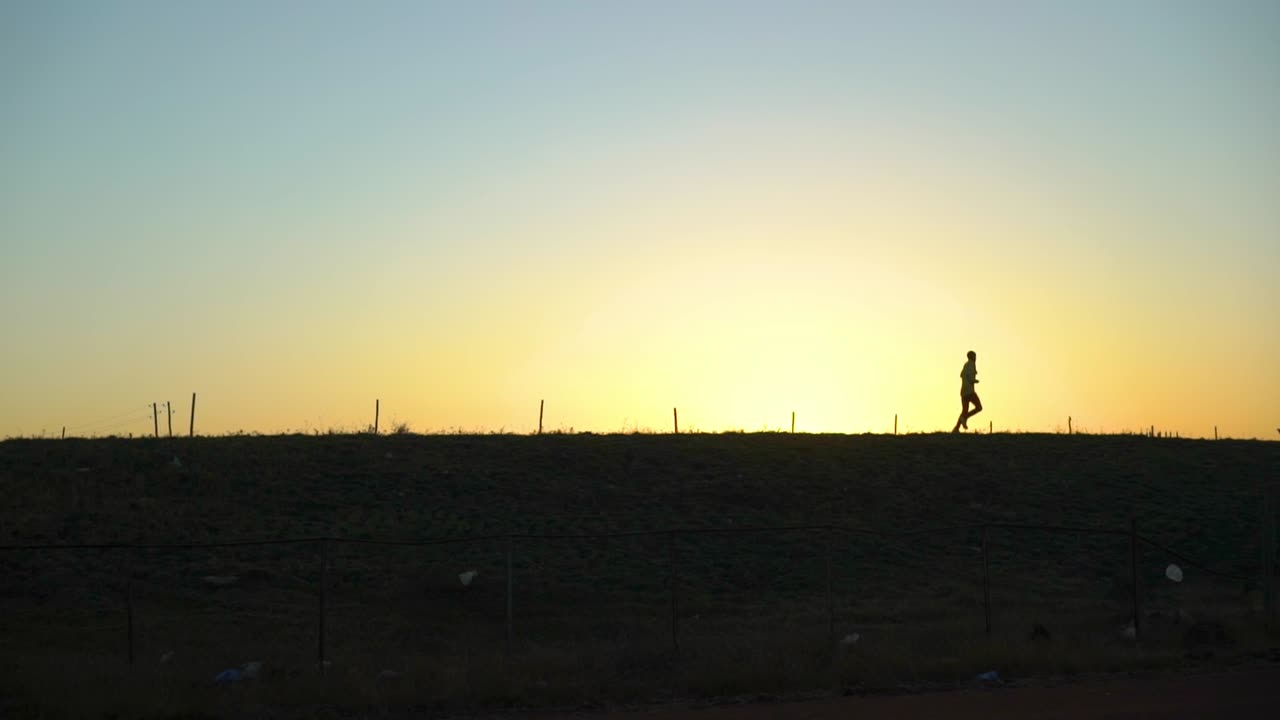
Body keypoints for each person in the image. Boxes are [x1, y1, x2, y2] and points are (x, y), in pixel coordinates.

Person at [953, 350, 982, 433]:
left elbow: (962, 374)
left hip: (963, 392)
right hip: (969, 391)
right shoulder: (971, 364)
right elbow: (969, 377)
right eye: (975, 356)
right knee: (979, 407)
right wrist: (974, 380)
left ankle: (956, 428)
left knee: (964, 410)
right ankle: (965, 418)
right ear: (972, 357)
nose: (976, 358)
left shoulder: (966, 365)